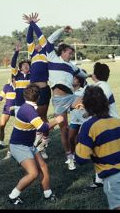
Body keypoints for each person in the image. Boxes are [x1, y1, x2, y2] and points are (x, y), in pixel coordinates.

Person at [8, 83, 64, 205]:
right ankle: (13, 196)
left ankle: (48, 194)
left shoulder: (28, 108)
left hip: (28, 145)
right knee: (33, 173)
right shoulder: (29, 110)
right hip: (19, 146)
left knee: (43, 167)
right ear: (38, 97)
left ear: (25, 96)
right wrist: (56, 121)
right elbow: (43, 127)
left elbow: (39, 126)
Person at [75, 85, 120, 210]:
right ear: (105, 102)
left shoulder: (88, 127)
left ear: (86, 106)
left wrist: (80, 139)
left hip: (114, 179)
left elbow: (81, 159)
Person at [46, 25, 90, 169]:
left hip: (71, 98)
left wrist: (90, 76)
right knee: (63, 129)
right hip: (59, 101)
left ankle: (93, 142)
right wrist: (62, 30)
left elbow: (81, 74)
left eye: (72, 53)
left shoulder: (71, 66)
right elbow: (50, 40)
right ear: (62, 52)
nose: (71, 55)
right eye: (69, 52)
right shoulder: (52, 58)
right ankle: (69, 157)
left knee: (89, 108)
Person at [22, 13, 51, 159]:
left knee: (42, 117)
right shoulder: (32, 52)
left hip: (44, 90)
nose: (37, 43)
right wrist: (29, 26)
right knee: (33, 117)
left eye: (40, 42)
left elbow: (40, 37)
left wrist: (34, 23)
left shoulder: (48, 52)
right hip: (32, 89)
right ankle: (38, 145)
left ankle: (43, 142)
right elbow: (29, 39)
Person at [90, 62, 120, 188]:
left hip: (111, 125)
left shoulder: (101, 87)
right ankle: (99, 179)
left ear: (95, 74)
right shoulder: (102, 85)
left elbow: (98, 106)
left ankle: (101, 179)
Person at [66, 74, 89, 170]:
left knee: (79, 139)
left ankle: (78, 156)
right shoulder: (69, 91)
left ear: (79, 82)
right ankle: (72, 155)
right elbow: (68, 106)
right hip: (74, 119)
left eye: (75, 79)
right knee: (70, 138)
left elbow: (87, 102)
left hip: (84, 120)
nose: (72, 79)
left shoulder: (84, 90)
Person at [11, 42, 31, 116]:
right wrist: (16, 52)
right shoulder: (17, 74)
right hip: (19, 102)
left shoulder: (32, 75)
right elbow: (13, 64)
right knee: (19, 120)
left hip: (29, 102)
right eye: (24, 65)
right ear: (20, 68)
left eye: (27, 65)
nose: (26, 66)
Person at [0, 75, 16, 149]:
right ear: (13, 79)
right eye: (15, 79)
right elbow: (1, 95)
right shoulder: (7, 86)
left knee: (21, 126)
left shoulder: (21, 87)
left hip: (18, 109)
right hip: (7, 109)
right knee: (2, 125)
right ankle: (1, 143)